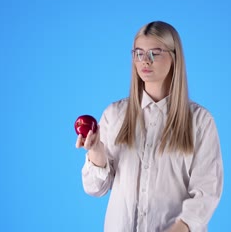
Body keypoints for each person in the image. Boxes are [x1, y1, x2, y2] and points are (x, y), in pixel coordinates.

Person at [76, 21, 223, 232]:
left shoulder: (200, 121)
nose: (145, 60)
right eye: (139, 53)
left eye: (154, 53)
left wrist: (181, 227)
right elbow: (95, 188)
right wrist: (96, 150)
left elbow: (207, 190)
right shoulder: (115, 115)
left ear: (174, 57)